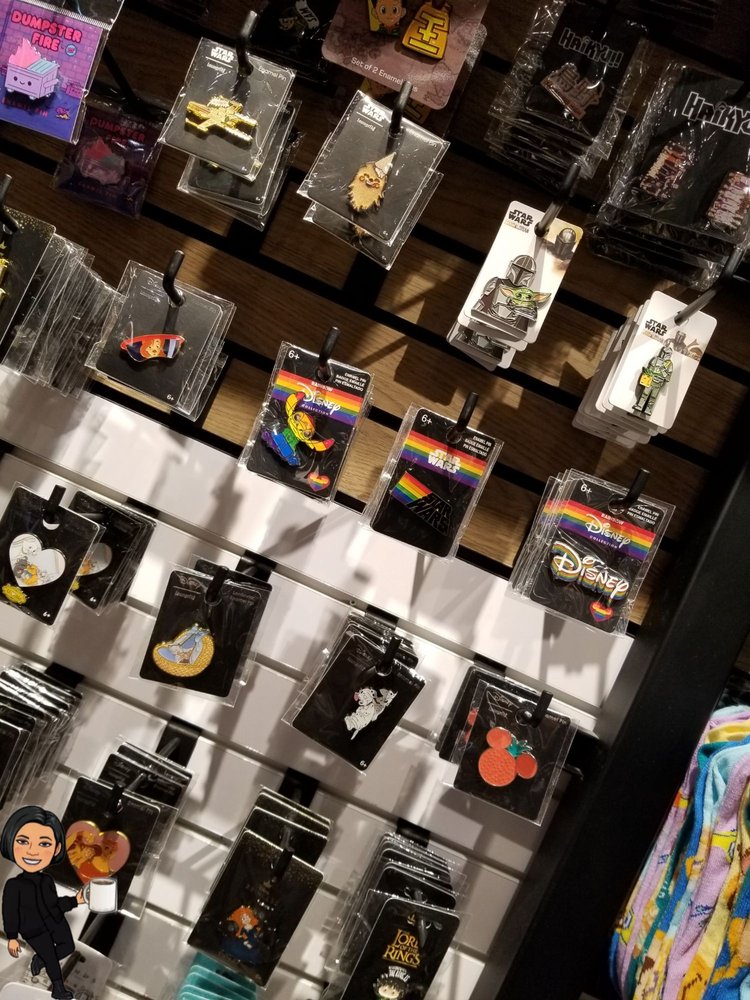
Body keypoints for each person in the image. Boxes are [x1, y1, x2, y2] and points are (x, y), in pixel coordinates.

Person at [1, 806, 85, 1000]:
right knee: (52, 957)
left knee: (68, 947)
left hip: (54, 920)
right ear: (10, 842)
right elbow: (10, 912)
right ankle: (58, 989)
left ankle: (41, 958)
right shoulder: (14, 885)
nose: (33, 851)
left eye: (44, 844)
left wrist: (75, 901)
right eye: (23, 841)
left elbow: (53, 904)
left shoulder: (47, 881)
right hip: (34, 929)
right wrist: (12, 936)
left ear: (57, 849)